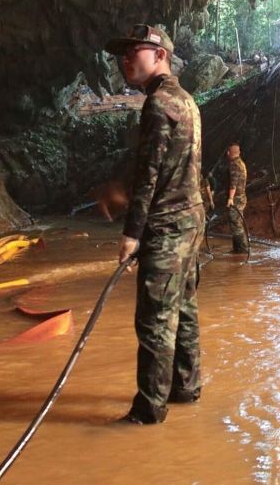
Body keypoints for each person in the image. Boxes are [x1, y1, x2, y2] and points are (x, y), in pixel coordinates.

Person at [105, 23, 205, 425]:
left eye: (135, 51)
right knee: (183, 306)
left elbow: (149, 176)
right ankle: (186, 386)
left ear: (160, 54)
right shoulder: (186, 100)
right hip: (190, 221)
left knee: (154, 320)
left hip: (166, 226)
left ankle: (148, 412)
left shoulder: (158, 104)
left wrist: (131, 234)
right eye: (123, 53)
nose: (126, 59)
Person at [225, 143, 248, 253]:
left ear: (229, 153)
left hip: (237, 198)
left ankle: (242, 249)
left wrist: (230, 198)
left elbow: (233, 183)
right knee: (237, 221)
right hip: (241, 196)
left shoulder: (234, 165)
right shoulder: (241, 163)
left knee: (235, 222)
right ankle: (237, 248)